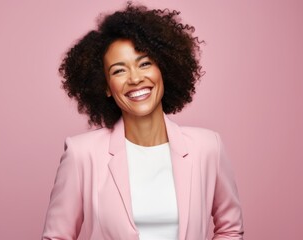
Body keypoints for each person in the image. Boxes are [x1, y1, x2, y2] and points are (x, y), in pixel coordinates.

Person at [42, 3, 244, 240]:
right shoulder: (81, 154)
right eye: (119, 71)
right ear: (106, 86)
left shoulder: (208, 147)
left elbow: (230, 229)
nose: (135, 78)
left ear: (163, 69)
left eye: (145, 63)